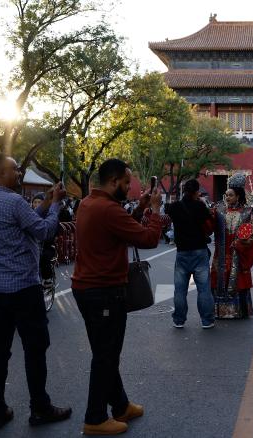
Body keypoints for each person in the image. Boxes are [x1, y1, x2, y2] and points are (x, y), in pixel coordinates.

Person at [0, 154, 71, 431]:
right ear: (0, 173)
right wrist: (54, 205)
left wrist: (44, 203)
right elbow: (43, 231)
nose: (19, 173)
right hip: (24, 288)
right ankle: (40, 408)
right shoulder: (15, 202)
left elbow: (25, 222)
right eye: (15, 169)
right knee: (35, 349)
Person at [72, 158, 163, 435]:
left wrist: (141, 208)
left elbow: (120, 229)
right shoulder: (108, 209)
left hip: (89, 288)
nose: (129, 187)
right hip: (103, 291)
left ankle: (120, 405)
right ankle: (95, 418)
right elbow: (147, 239)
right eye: (126, 183)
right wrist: (156, 210)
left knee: (106, 352)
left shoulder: (90, 203)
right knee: (106, 356)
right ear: (113, 182)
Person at [165, 179, 216, 329]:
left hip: (182, 252)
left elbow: (167, 220)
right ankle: (207, 320)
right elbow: (210, 226)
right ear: (196, 191)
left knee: (180, 289)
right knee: (204, 289)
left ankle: (179, 320)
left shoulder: (174, 207)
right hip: (199, 251)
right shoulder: (200, 206)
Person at [211, 173, 253, 318]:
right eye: (226, 195)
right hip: (221, 252)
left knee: (236, 279)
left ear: (238, 196)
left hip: (237, 252)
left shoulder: (247, 213)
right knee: (219, 279)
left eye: (230, 195)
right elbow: (209, 226)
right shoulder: (219, 210)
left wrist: (239, 244)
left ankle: (238, 311)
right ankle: (219, 311)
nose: (227, 198)